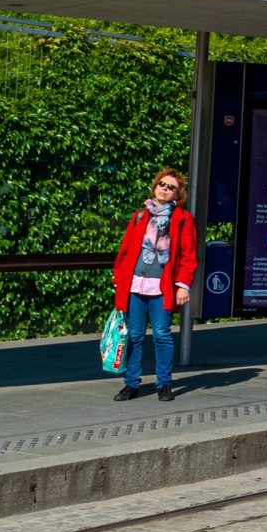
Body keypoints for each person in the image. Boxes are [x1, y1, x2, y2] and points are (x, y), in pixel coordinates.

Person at [110, 167, 201, 402]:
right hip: (135, 284)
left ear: (178, 193)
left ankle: (164, 383)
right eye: (162, 184)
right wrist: (119, 276)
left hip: (163, 286)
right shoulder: (140, 215)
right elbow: (126, 249)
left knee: (162, 334)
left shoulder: (182, 218)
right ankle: (131, 384)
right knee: (134, 336)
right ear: (155, 186)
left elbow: (189, 255)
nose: (165, 189)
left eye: (171, 187)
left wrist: (183, 286)